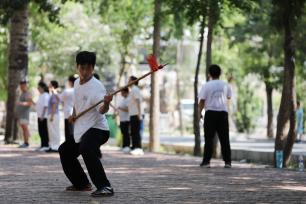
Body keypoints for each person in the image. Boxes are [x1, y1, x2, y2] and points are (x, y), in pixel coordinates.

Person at [58, 51, 114, 197]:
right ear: (77, 67)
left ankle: (105, 186)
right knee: (65, 151)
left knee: (86, 148)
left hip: (98, 128)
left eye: (88, 68)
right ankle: (82, 183)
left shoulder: (97, 87)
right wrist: (74, 115)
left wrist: (107, 103)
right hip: (83, 128)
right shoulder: (76, 83)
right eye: (82, 68)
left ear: (92, 68)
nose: (84, 72)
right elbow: (78, 103)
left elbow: (102, 110)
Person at [198, 64, 232, 168]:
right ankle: (227, 162)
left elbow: (202, 100)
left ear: (209, 74)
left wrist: (200, 112)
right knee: (225, 138)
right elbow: (229, 97)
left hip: (210, 113)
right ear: (220, 73)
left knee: (209, 138)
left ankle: (206, 162)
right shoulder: (226, 85)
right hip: (223, 113)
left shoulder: (206, 85)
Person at [128, 76, 144, 156]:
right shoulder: (133, 90)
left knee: (136, 132)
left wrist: (139, 114)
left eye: (129, 80)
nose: (128, 81)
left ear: (134, 81)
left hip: (136, 114)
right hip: (133, 113)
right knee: (133, 132)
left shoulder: (135, 89)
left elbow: (138, 101)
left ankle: (139, 148)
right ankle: (134, 147)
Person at [16, 80, 33, 148]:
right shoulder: (22, 93)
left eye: (23, 86)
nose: (21, 88)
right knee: (23, 128)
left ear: (25, 86)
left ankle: (26, 143)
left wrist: (21, 103)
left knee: (25, 128)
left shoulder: (27, 93)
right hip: (21, 114)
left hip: (25, 114)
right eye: (21, 86)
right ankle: (25, 142)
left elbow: (30, 103)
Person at [61, 75, 76, 142]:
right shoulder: (79, 90)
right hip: (77, 113)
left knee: (68, 132)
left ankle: (69, 147)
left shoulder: (67, 91)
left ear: (70, 82)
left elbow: (60, 99)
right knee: (74, 131)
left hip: (68, 113)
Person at [47, 80, 61, 152]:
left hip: (54, 115)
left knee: (54, 130)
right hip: (52, 114)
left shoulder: (54, 94)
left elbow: (54, 105)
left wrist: (52, 115)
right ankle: (52, 145)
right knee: (51, 131)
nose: (48, 86)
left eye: (49, 84)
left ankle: (55, 146)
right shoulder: (52, 94)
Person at [35, 82, 50, 151]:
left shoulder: (46, 95)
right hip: (39, 116)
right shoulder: (41, 95)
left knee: (44, 131)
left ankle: (46, 145)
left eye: (39, 87)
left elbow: (45, 106)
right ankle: (42, 145)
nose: (38, 89)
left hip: (44, 117)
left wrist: (42, 115)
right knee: (40, 131)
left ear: (43, 88)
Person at [117, 88, 130, 153]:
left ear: (125, 92)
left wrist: (120, 108)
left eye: (122, 92)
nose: (121, 93)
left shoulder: (128, 99)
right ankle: (124, 146)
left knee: (126, 133)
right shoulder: (123, 99)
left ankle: (127, 146)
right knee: (123, 133)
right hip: (122, 119)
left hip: (126, 119)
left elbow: (128, 109)